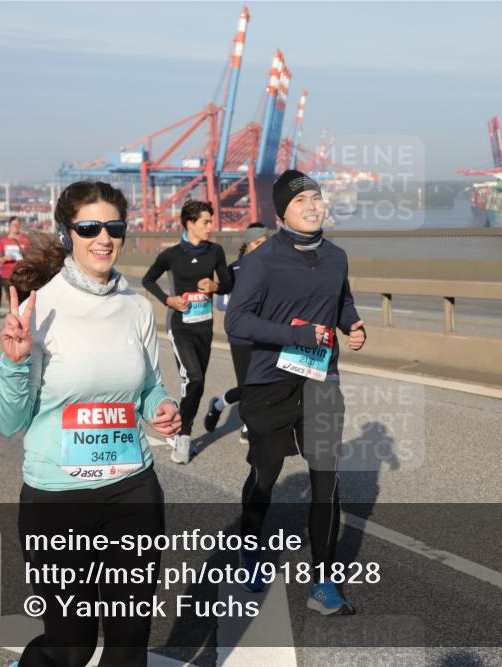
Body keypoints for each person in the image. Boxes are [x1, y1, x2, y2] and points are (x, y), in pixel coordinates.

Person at [0, 180, 181, 667]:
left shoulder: (136, 306)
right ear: (68, 232)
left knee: (127, 648)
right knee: (70, 648)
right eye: (89, 226)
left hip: (131, 492)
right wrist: (14, 362)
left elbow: (148, 386)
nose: (103, 237)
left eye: (113, 227)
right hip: (57, 499)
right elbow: (8, 421)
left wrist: (161, 407)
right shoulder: (41, 307)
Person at [225, 169, 367, 616]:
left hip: (322, 380)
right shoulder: (261, 260)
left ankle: (324, 582)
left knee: (327, 479)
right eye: (301, 199)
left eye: (317, 197)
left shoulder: (338, 256)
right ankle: (250, 548)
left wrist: (353, 323)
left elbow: (341, 300)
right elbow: (237, 322)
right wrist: (296, 334)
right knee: (266, 474)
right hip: (271, 382)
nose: (312, 205)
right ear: (281, 210)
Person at [141, 200, 232, 464]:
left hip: (204, 327)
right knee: (194, 379)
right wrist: (168, 300)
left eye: (210, 221)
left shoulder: (215, 251)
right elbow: (149, 279)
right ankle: (183, 435)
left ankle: (184, 424)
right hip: (180, 326)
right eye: (205, 222)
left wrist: (215, 286)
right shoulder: (172, 255)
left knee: (198, 382)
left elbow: (228, 283)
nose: (210, 227)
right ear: (190, 223)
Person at [204, 223, 268, 445]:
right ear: (248, 244)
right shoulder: (234, 270)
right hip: (241, 336)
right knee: (247, 386)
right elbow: (221, 304)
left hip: (266, 335)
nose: (262, 247)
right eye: (257, 243)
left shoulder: (273, 268)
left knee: (264, 383)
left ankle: (249, 424)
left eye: (265, 243)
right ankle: (220, 406)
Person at [0, 216, 32, 304]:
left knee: (24, 300)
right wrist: (5, 258)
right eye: (13, 224)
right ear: (9, 225)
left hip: (22, 274)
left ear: (20, 226)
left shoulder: (26, 239)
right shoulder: (3, 241)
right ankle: (14, 316)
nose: (16, 226)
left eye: (18, 224)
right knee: (12, 300)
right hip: (7, 275)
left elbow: (32, 256)